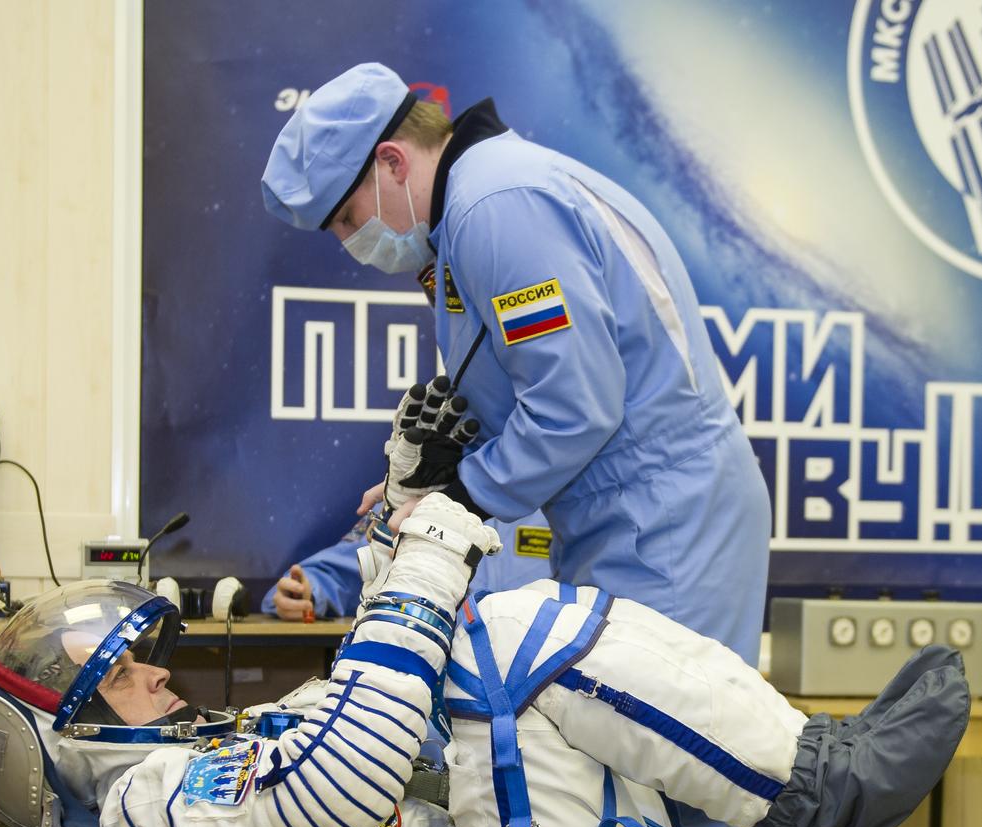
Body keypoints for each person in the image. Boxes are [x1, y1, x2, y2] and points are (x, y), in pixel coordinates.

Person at [0, 496, 968, 827]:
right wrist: (423, 570)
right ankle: (822, 789)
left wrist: (389, 562)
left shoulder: (170, 762)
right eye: (122, 677)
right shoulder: (145, 793)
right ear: (76, 730)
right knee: (509, 650)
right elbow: (335, 788)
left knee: (516, 631)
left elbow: (351, 728)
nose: (158, 674)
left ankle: (815, 770)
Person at [260, 64, 772, 669]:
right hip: (622, 515)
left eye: (346, 218)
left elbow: (574, 407)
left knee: (669, 755)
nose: (352, 242)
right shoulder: (475, 210)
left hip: (664, 526)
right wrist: (420, 481)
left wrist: (459, 496)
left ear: (393, 163)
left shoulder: (497, 207)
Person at [262, 511, 553, 621]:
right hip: (431, 681)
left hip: (546, 684)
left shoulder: (570, 506)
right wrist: (309, 591)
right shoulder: (432, 496)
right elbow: (355, 565)